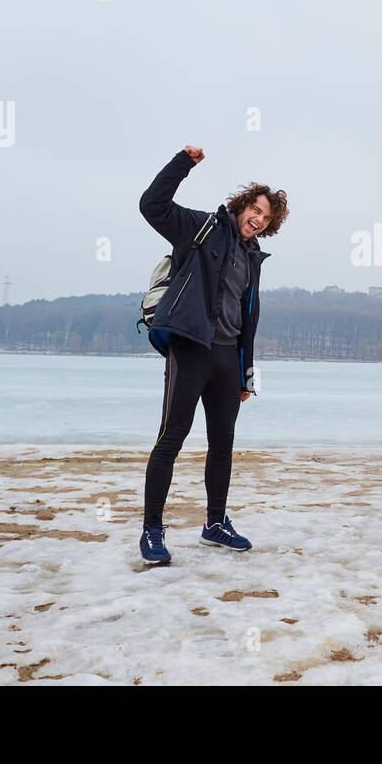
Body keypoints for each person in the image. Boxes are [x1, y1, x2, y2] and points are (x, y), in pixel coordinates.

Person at [136, 144, 288, 564]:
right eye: (255, 209)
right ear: (242, 205)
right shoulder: (201, 228)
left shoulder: (253, 257)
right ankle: (152, 530)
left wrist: (246, 374)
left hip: (226, 360)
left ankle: (215, 524)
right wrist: (183, 162)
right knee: (171, 439)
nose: (257, 219)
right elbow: (152, 205)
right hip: (190, 348)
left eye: (266, 218)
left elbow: (248, 317)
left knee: (223, 444)